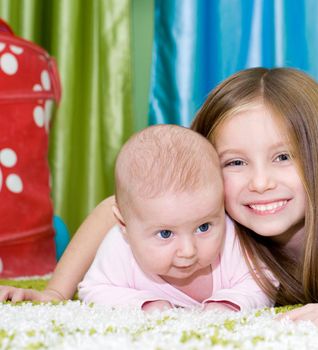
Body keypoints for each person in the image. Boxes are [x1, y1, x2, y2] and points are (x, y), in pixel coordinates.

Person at [0, 68, 318, 325]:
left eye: (283, 157)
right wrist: (56, 292)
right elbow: (109, 211)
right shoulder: (216, 211)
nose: (258, 183)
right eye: (235, 163)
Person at [3, 124, 274, 312]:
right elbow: (94, 290)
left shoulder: (232, 241)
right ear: (124, 226)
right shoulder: (119, 249)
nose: (188, 251)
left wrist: (230, 302)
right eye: (165, 234)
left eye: (204, 227)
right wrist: (143, 303)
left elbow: (264, 281)